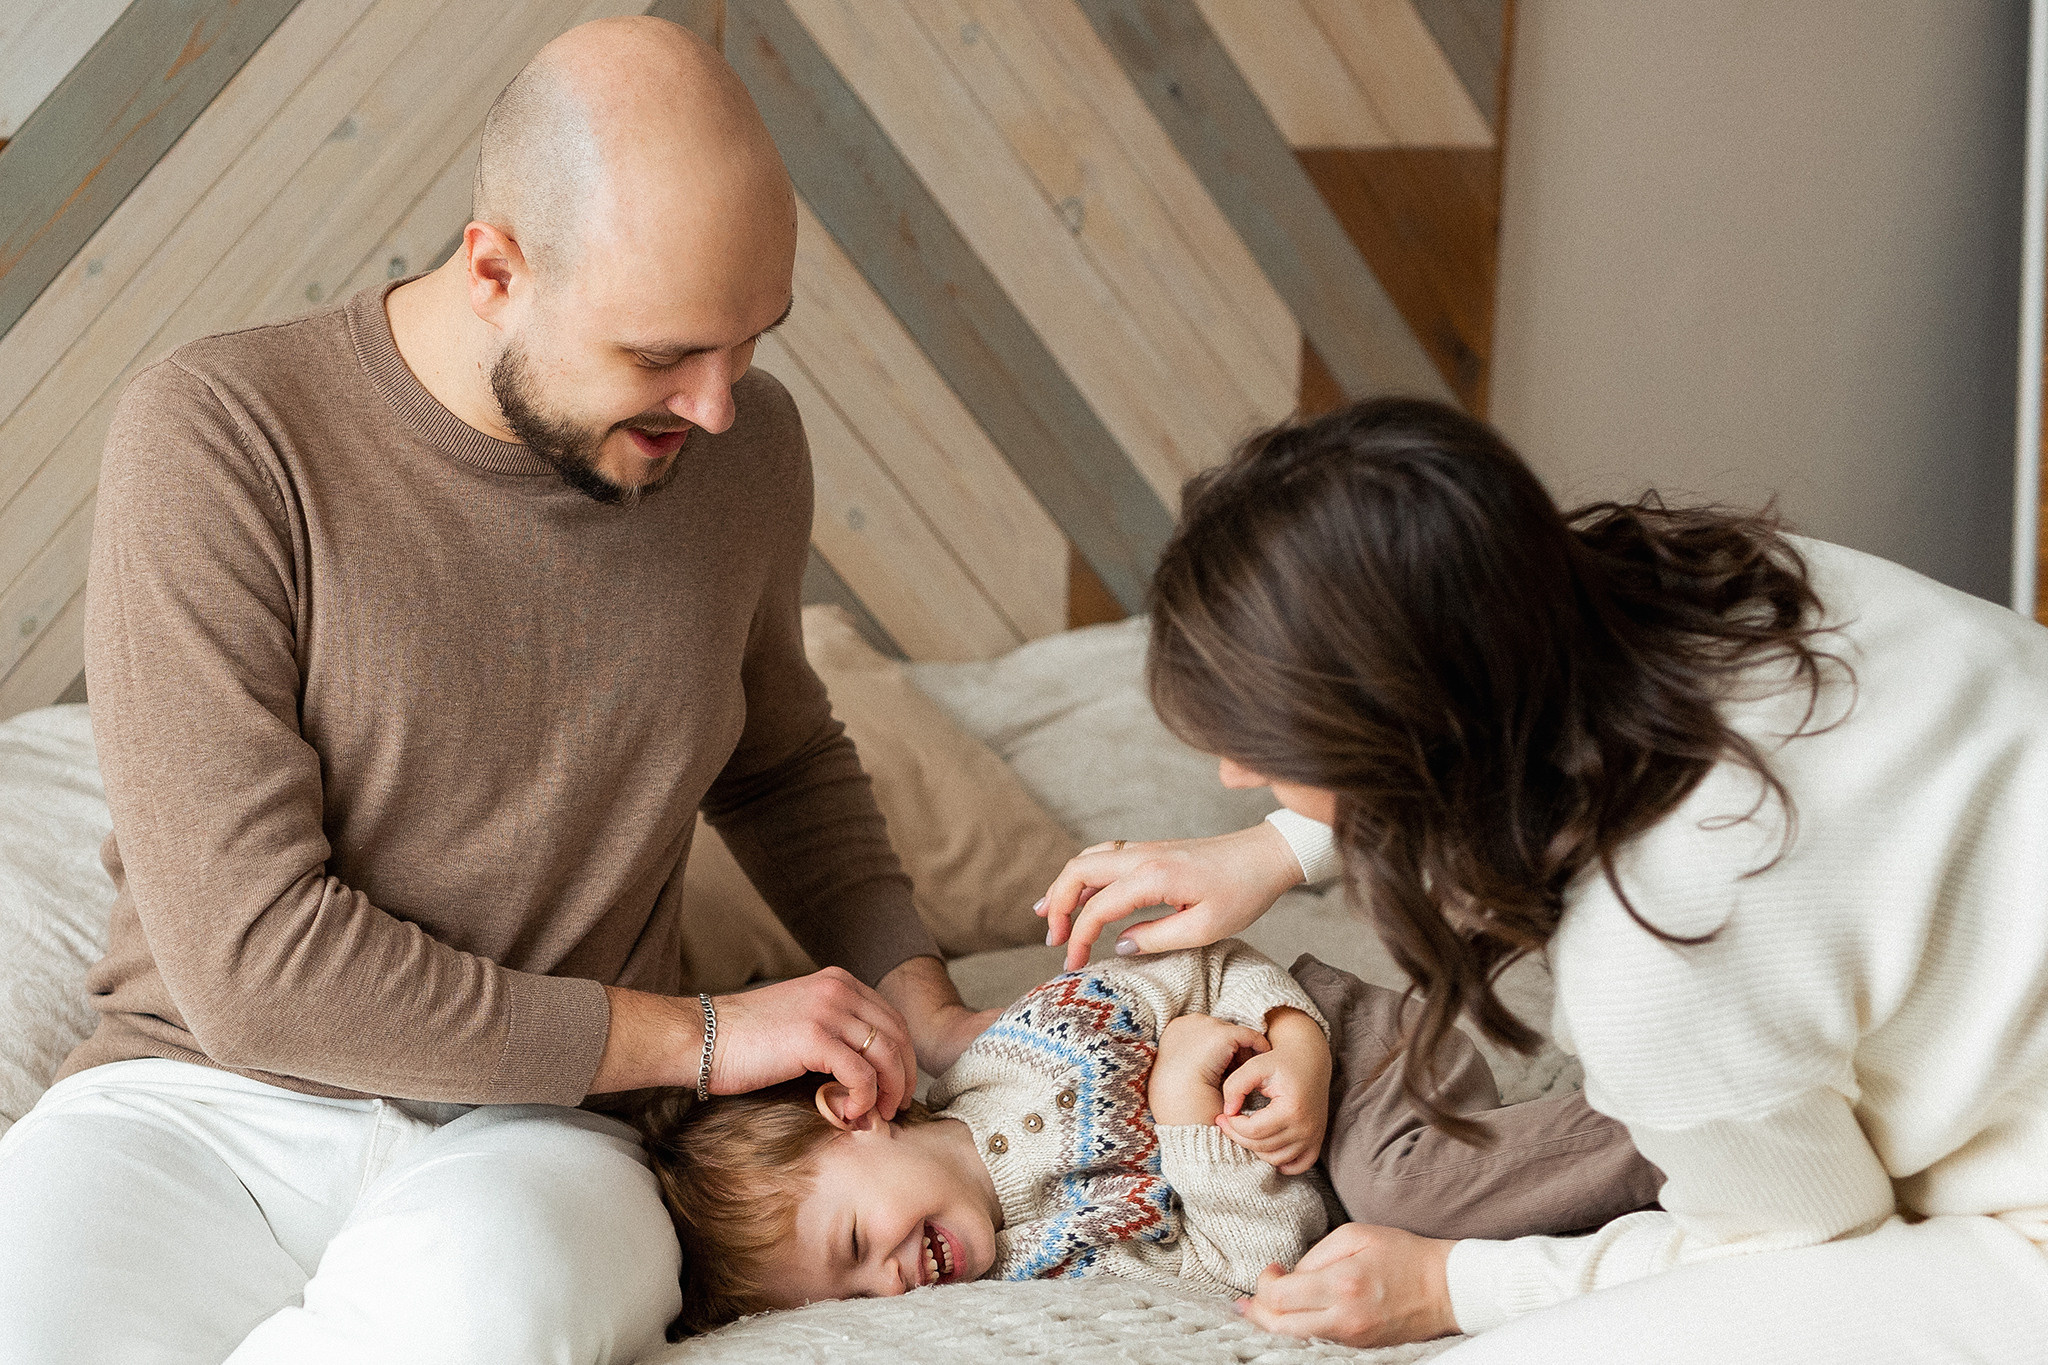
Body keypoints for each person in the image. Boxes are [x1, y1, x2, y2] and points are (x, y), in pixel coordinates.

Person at [0, 18, 991, 1365]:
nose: (715, 409)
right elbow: (255, 971)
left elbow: (779, 760)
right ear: (496, 270)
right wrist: (701, 1038)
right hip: (205, 1103)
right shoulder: (219, 438)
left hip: (546, 1139)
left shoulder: (747, 454)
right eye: (661, 357)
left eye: (752, 341)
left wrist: (920, 996)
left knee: (491, 1319)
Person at [1036, 397, 2048, 1362]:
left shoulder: (1660, 936)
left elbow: (1795, 1246)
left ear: (1398, 736)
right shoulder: (1737, 580)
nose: (1234, 775)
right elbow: (1493, 703)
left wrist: (1448, 1286)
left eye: (1271, 747)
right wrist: (1277, 846)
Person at [635, 940, 1657, 1335]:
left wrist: (1291, 1046)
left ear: (854, 1114)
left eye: (856, 1247)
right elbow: (1246, 1270)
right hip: (1320, 1183)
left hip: (1342, 1058)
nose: (887, 1285)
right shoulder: (1041, 1274)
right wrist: (1181, 1120)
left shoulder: (1030, 1045)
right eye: (852, 1299)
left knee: (1411, 1197)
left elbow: (1207, 967)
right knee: (1406, 1217)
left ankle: (1694, 1119)